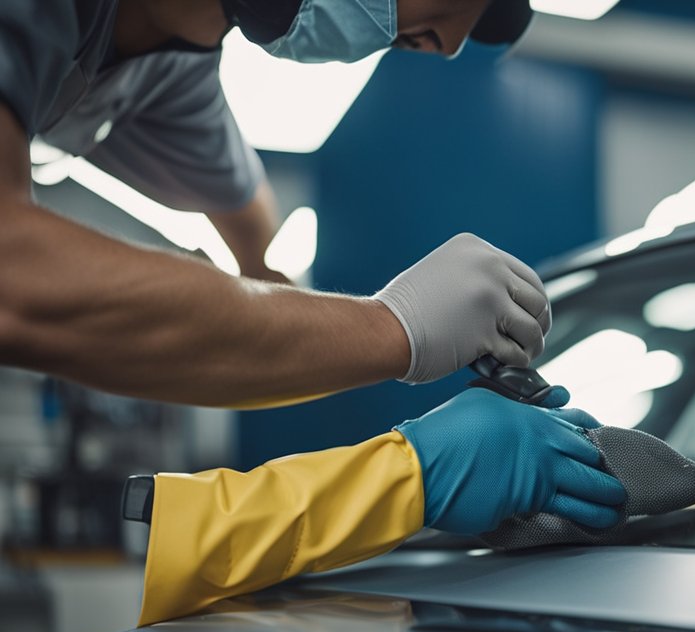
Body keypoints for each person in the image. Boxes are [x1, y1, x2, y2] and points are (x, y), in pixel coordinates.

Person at [0, 0, 626, 544]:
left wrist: (266, 283)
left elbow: (255, 242)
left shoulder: (169, 68)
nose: (448, 44)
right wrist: (397, 329)